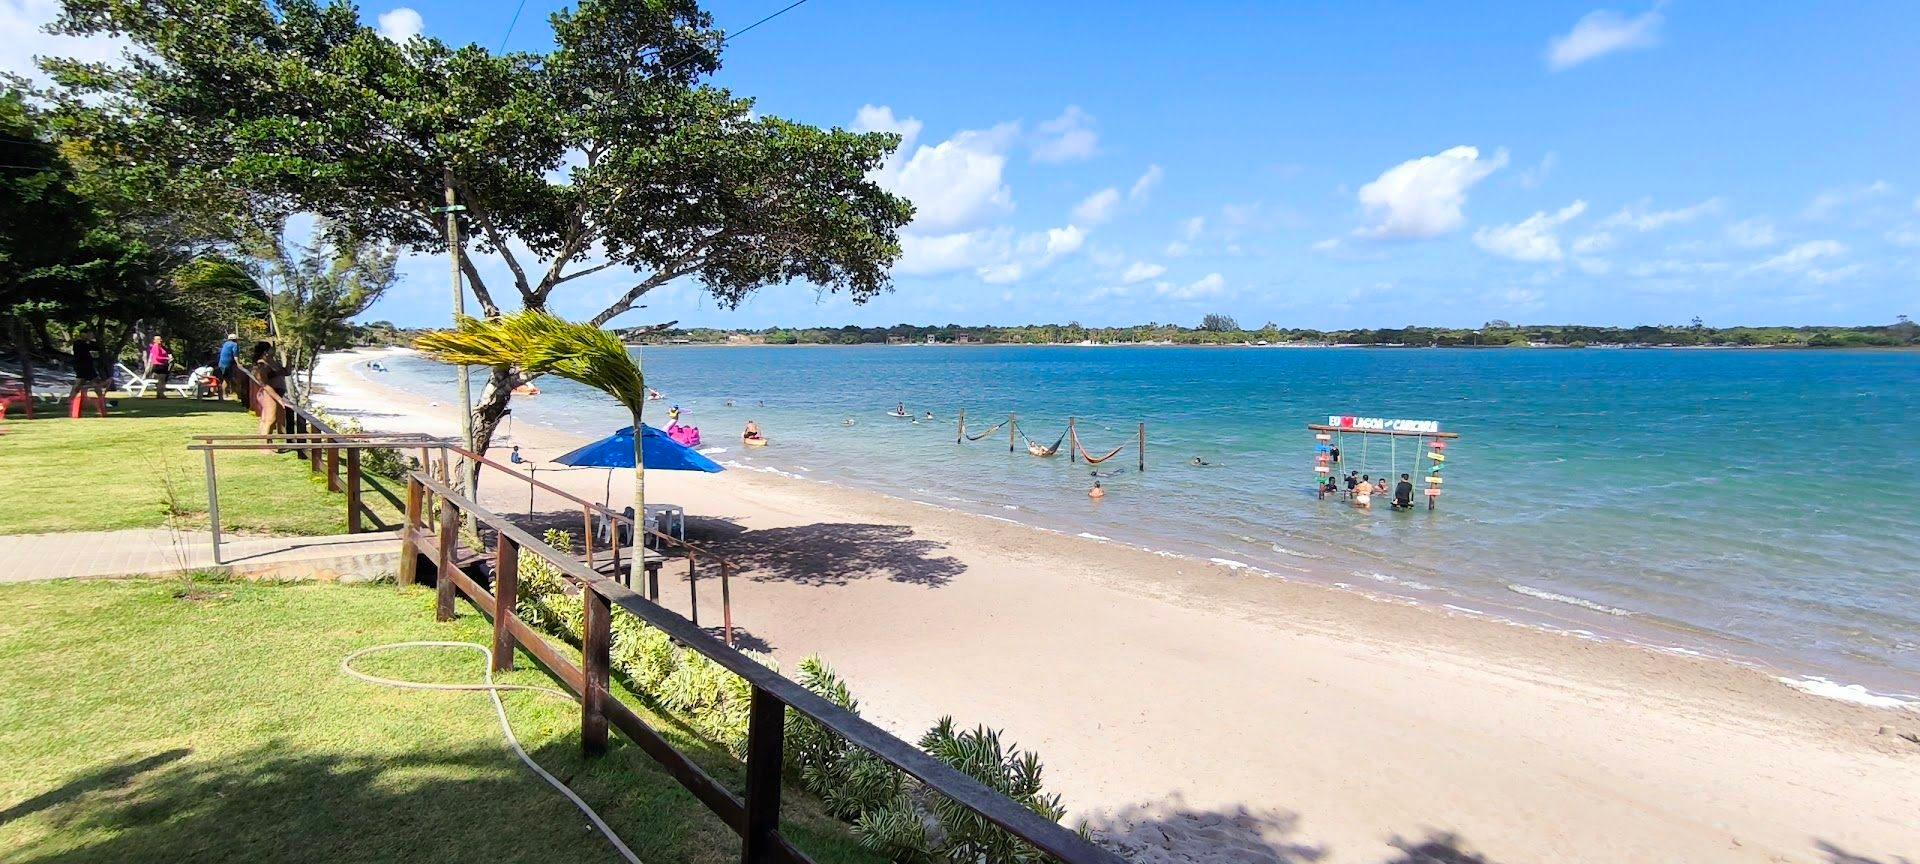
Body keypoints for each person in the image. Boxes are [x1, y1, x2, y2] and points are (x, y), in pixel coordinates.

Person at [250, 342, 289, 442]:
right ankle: (265, 445)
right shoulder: (261, 365)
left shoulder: (273, 362)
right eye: (271, 348)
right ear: (265, 352)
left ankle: (268, 442)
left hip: (277, 392)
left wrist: (289, 360)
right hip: (268, 393)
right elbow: (264, 384)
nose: (274, 350)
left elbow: (286, 372)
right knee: (270, 419)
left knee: (272, 418)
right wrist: (278, 398)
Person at [67, 332, 109, 408]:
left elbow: (97, 347)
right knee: (93, 382)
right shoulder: (79, 343)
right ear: (83, 334)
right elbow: (89, 347)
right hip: (83, 366)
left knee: (80, 383)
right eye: (89, 334)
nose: (91, 336)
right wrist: (90, 341)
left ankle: (71, 400)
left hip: (86, 366)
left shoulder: (86, 343)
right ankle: (102, 400)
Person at [216, 333, 241, 400]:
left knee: (223, 379)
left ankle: (223, 395)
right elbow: (235, 356)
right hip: (228, 364)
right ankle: (225, 395)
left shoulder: (225, 344)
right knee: (228, 379)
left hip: (221, 364)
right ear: (235, 339)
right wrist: (238, 363)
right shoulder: (235, 345)